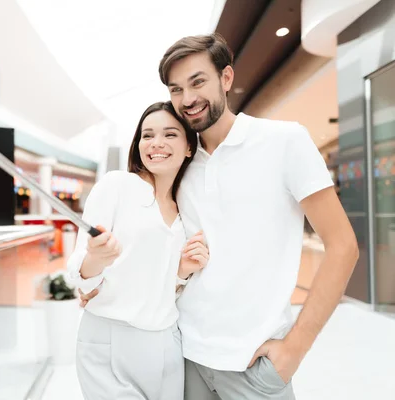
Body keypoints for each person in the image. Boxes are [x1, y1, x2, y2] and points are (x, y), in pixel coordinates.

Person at [81, 33, 359, 400]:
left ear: (226, 78)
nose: (188, 99)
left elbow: (343, 246)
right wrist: (96, 276)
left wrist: (295, 348)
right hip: (184, 357)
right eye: (176, 89)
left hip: (253, 365)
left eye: (198, 82)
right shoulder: (180, 164)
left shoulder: (284, 141)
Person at [67, 101, 210, 400]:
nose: (156, 143)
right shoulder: (117, 185)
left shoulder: (185, 207)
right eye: (147, 135)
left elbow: (159, 287)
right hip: (110, 340)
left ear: (188, 147)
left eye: (170, 134)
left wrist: (181, 271)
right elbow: (79, 274)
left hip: (167, 342)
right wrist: (95, 258)